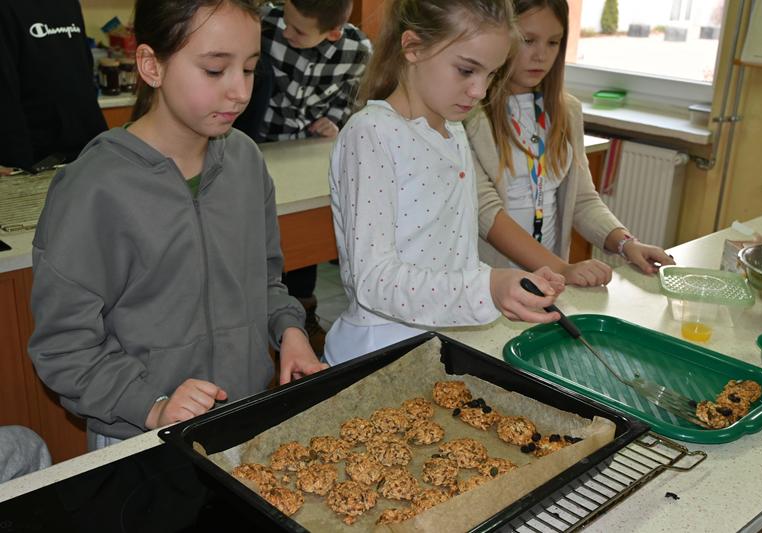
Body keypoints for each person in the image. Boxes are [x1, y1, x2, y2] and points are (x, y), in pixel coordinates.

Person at [27, 0, 327, 451]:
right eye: (214, 70)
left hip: (241, 419)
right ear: (152, 65)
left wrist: (289, 332)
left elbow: (264, 282)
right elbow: (64, 347)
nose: (239, 92)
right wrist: (153, 406)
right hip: (136, 437)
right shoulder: (95, 188)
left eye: (249, 69)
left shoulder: (245, 162)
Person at [323, 0, 567, 366]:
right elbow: (373, 281)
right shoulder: (372, 132)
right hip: (377, 355)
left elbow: (449, 257)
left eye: (491, 74)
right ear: (413, 47)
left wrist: (510, 283)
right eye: (466, 70)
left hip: (439, 346)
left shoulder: (453, 130)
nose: (480, 90)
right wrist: (486, 289)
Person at [466, 0, 674, 288]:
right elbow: (487, 214)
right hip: (492, 284)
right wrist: (562, 268)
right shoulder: (469, 113)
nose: (541, 55)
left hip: (550, 282)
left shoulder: (567, 111)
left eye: (553, 42)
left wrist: (626, 243)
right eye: (528, 40)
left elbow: (582, 200)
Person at [235, 0, 373, 356]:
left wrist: (335, 120)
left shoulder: (357, 51)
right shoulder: (267, 22)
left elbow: (351, 97)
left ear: (333, 33)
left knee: (302, 245)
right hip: (259, 148)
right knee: (259, 242)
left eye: (298, 31)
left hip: (304, 155)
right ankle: (257, 321)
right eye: (287, 20)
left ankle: (302, 314)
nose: (286, 32)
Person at [0, 0, 107, 173]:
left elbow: (84, 71)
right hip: (39, 160)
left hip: (90, 149)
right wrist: (18, 164)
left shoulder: (70, 4)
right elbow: (6, 95)